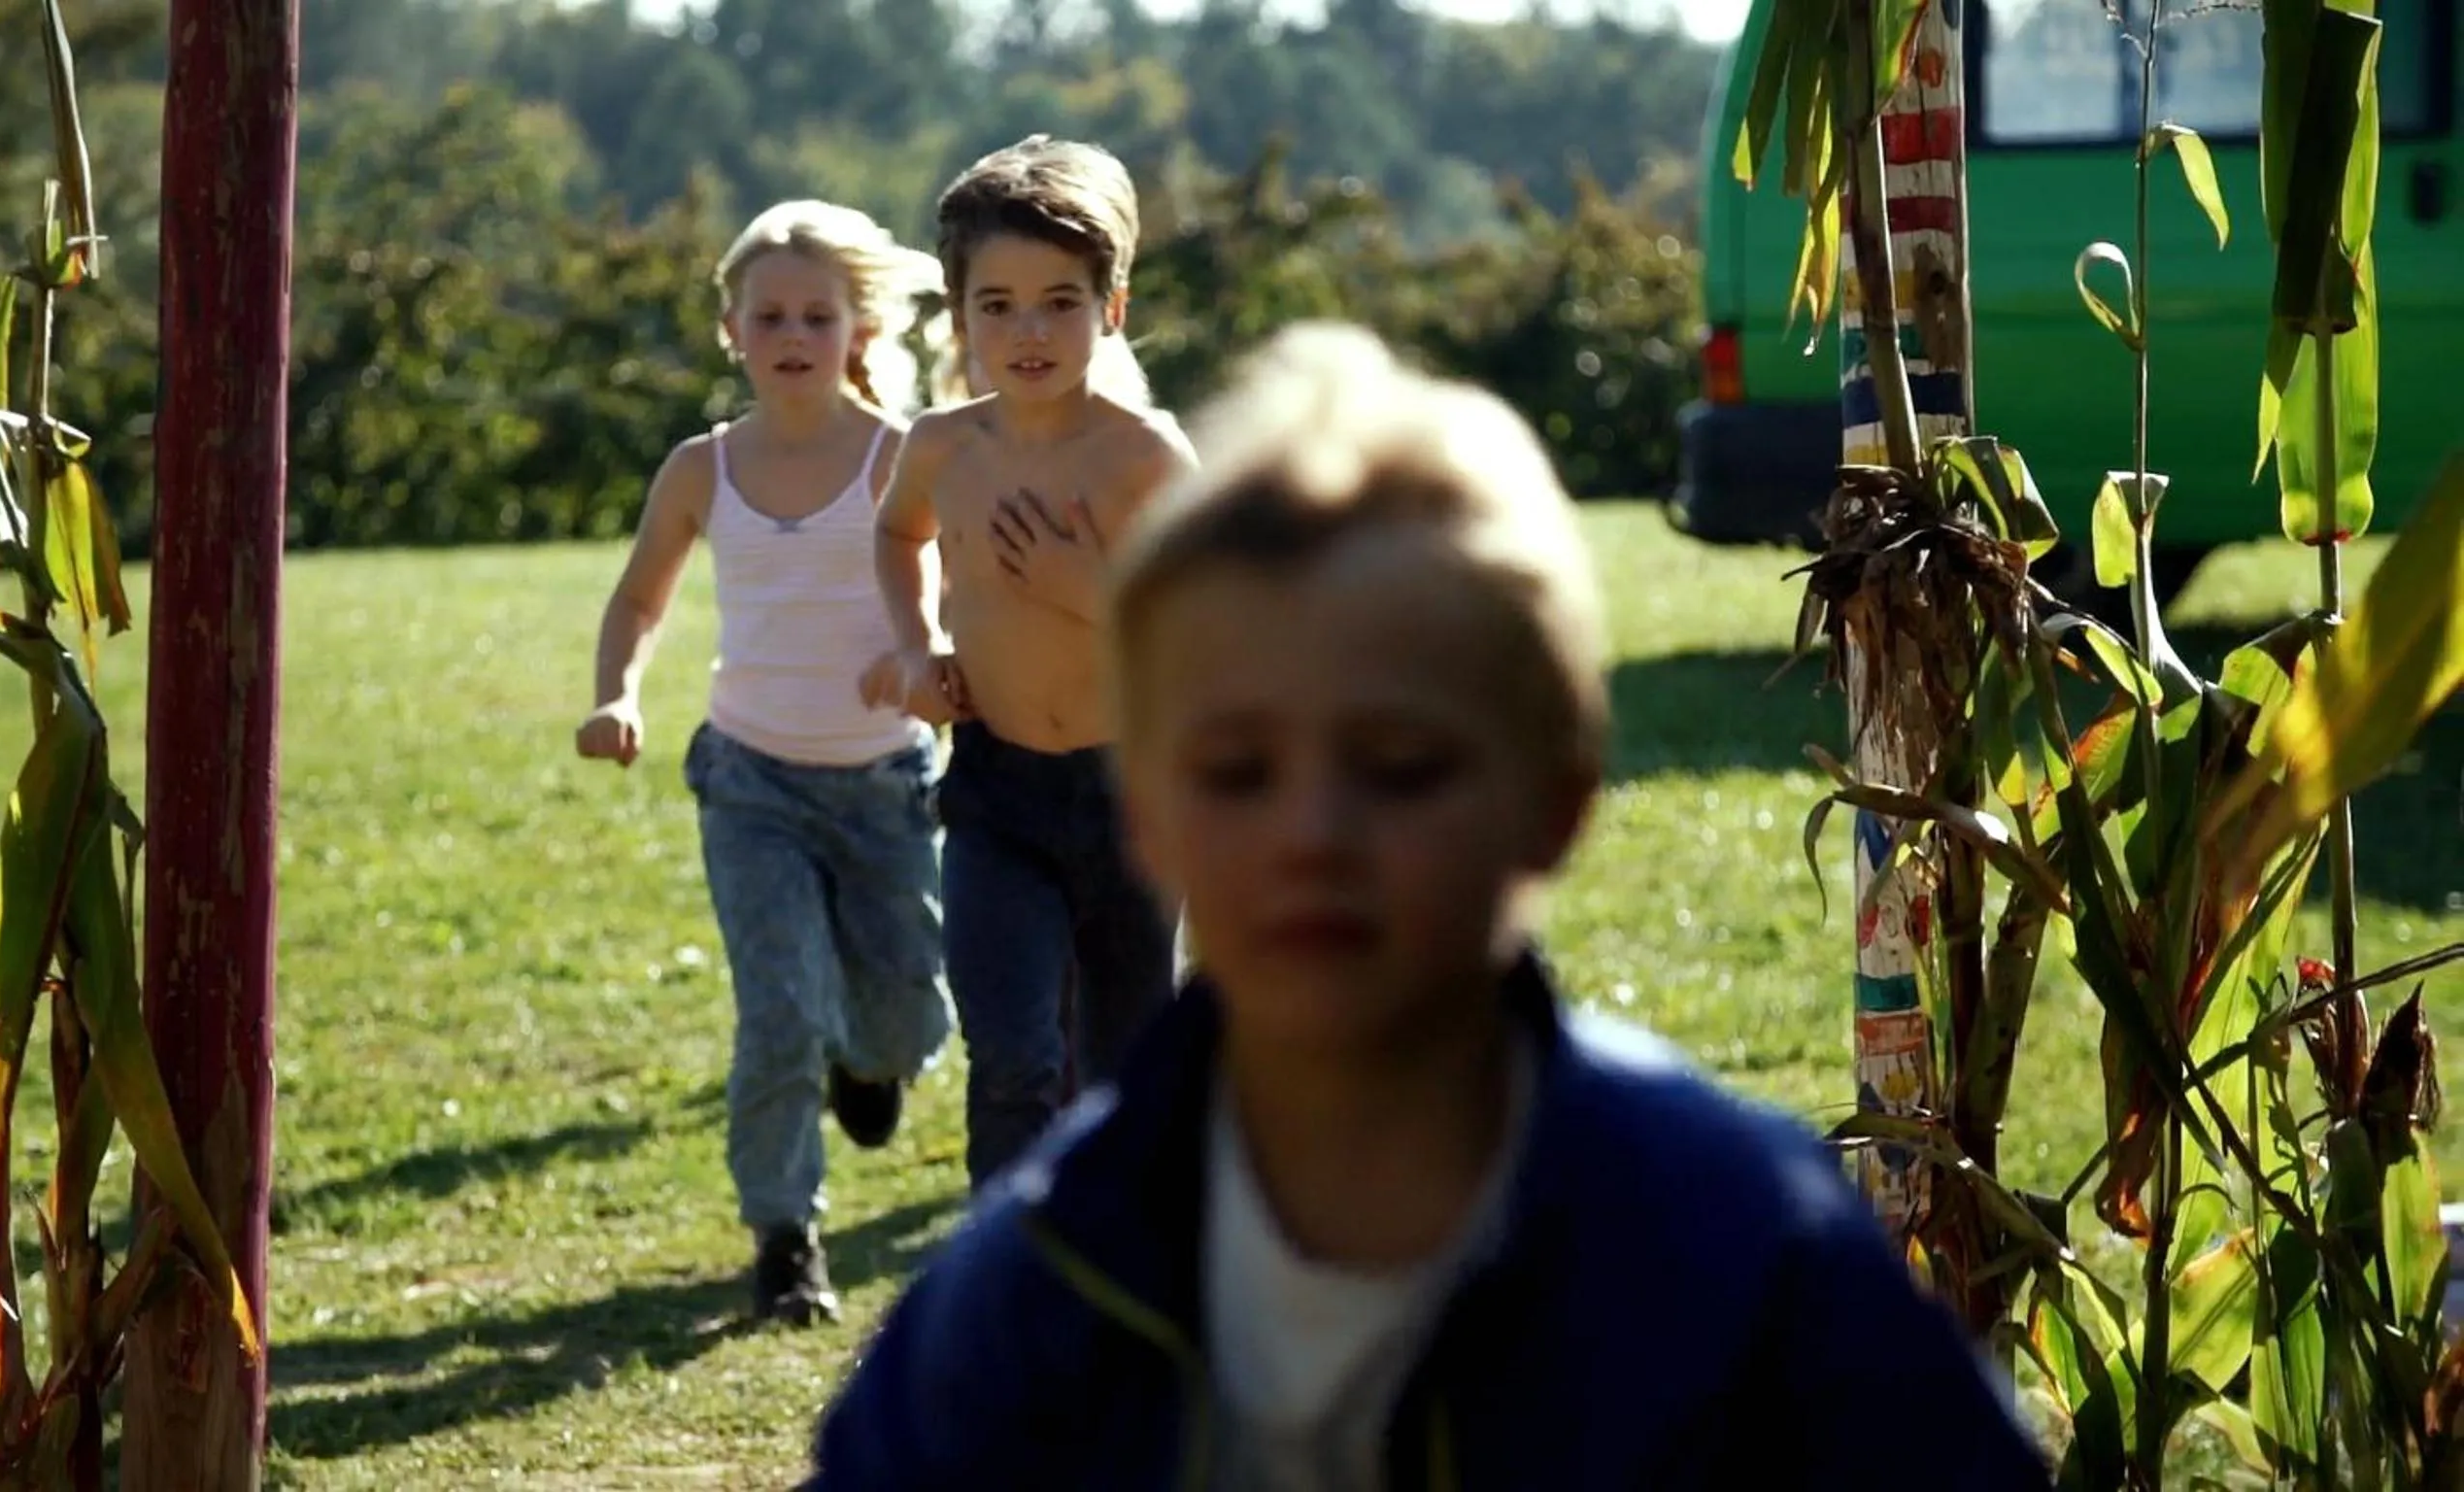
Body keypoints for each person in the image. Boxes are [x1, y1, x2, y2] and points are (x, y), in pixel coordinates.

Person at [809, 323, 2053, 1489]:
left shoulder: (1738, 1252)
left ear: (1555, 798)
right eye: (1237, 772)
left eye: (1402, 767)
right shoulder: (1045, 1278)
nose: (1312, 835)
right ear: (1146, 814)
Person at [576, 200, 961, 1328]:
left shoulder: (902, 458)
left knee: (909, 1023)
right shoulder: (702, 468)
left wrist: (923, 657)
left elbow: (949, 594)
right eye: (771, 315)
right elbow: (641, 597)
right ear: (733, 332)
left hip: (890, 785)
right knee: (778, 1010)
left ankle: (871, 1060)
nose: (794, 333)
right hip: (752, 784)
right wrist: (616, 692)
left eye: (818, 315)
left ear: (860, 331)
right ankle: (786, 1238)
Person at [859, 135, 1197, 1190]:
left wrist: (1073, 587)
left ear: (1114, 307)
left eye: (1059, 300)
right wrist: (916, 652)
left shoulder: (1146, 457)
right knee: (1011, 1057)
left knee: (1127, 1072)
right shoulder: (943, 448)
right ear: (958, 318)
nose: (1028, 330)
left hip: (1132, 801)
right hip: (997, 795)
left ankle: (1140, 1279)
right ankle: (1007, 1284)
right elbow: (892, 536)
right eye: (995, 305)